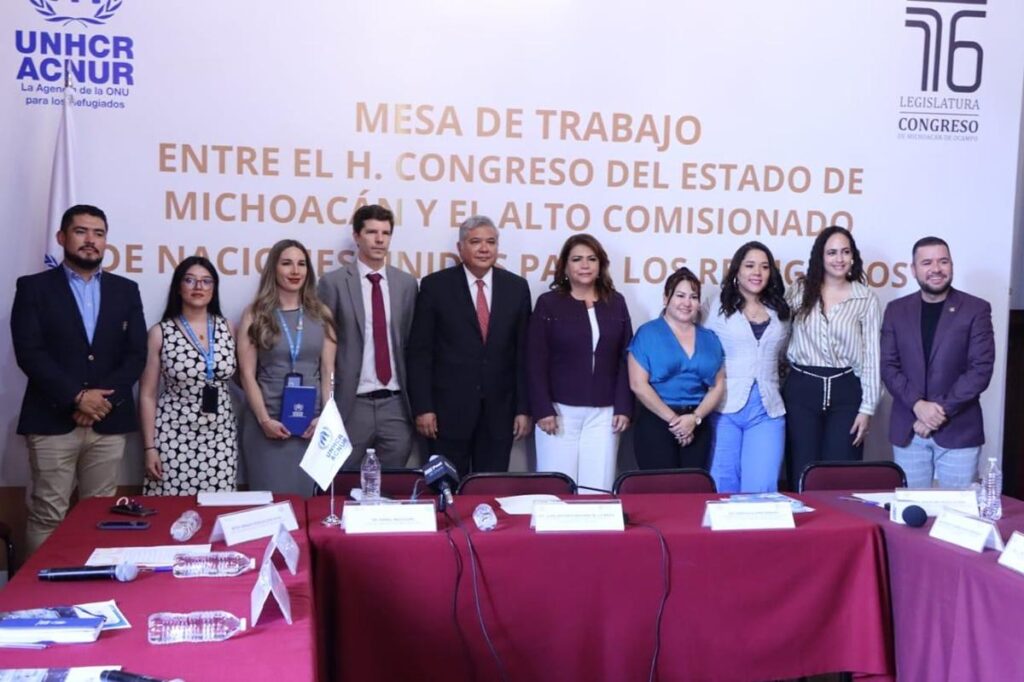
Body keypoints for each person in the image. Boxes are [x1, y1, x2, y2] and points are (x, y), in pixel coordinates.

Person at [11, 204, 146, 553]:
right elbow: (30, 352)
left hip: (107, 422)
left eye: (98, 234)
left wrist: (100, 403)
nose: (90, 241)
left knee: (100, 513)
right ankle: (40, 600)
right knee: (47, 514)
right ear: (62, 237)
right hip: (51, 420)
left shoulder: (125, 290)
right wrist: (77, 396)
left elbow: (136, 355)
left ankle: (91, 590)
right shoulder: (33, 288)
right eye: (81, 231)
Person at [407, 215, 532, 476]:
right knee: (445, 487)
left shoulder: (516, 288)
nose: (484, 249)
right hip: (445, 414)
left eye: (491, 242)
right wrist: (423, 408)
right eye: (476, 242)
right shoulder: (435, 286)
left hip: (499, 413)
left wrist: (523, 408)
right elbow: (420, 353)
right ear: (460, 247)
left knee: (489, 487)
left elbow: (522, 354)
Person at [881, 237, 994, 489]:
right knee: (912, 513)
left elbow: (980, 370)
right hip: (909, 429)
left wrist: (936, 413)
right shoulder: (896, 310)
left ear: (952, 266)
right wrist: (918, 405)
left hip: (959, 429)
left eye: (943, 261)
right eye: (927, 262)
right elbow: (888, 366)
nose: (936, 269)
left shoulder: (976, 309)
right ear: (913, 269)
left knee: (956, 518)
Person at [528, 234, 633, 492]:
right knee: (557, 491)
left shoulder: (616, 303)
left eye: (591, 259)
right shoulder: (548, 304)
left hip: (605, 413)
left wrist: (623, 406)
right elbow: (534, 359)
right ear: (565, 266)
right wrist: (542, 409)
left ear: (601, 265)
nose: (585, 265)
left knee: (597, 490)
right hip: (559, 412)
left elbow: (625, 358)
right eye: (577, 259)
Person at [318, 204, 418, 470]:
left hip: (395, 403)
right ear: (356, 236)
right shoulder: (334, 283)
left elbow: (411, 343)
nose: (379, 239)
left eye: (385, 233)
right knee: (342, 480)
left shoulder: (406, 284)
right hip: (352, 402)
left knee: (392, 483)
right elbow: (325, 344)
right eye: (372, 232)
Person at [784, 226, 881, 488]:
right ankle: (804, 526)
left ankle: (839, 527)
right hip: (802, 388)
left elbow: (872, 355)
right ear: (821, 257)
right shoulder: (799, 290)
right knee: (802, 467)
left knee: (841, 470)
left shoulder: (866, 298)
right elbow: (779, 336)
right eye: (832, 252)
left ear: (853, 257)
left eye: (845, 252)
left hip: (846, 391)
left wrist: (867, 408)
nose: (839, 258)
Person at [238, 240, 337, 496]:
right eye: (287, 263)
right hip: (267, 427)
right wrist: (264, 420)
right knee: (270, 506)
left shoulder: (322, 314)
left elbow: (328, 372)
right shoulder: (255, 314)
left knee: (309, 507)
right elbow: (247, 374)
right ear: (274, 269)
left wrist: (323, 419)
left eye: (301, 264)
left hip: (311, 429)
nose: (295, 271)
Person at [140, 256, 238, 495]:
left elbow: (243, 378)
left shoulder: (228, 328)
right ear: (178, 287)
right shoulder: (159, 333)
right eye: (190, 280)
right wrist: (150, 447)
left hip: (220, 437)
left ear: (214, 289)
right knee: (168, 513)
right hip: (173, 436)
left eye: (206, 281)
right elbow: (147, 395)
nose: (198, 287)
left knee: (217, 511)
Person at [705, 241, 790, 493]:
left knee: (762, 488)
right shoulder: (715, 307)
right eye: (750, 265)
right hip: (724, 409)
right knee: (723, 485)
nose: (757, 272)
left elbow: (787, 354)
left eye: (764, 267)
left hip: (767, 410)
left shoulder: (781, 311)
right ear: (737, 271)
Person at [628, 267, 725, 470]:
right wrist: (675, 422)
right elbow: (638, 384)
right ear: (666, 299)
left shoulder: (710, 338)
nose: (687, 303)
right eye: (680, 295)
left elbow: (717, 386)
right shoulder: (647, 333)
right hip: (657, 422)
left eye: (693, 297)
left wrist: (694, 419)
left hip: (697, 424)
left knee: (694, 490)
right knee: (659, 491)